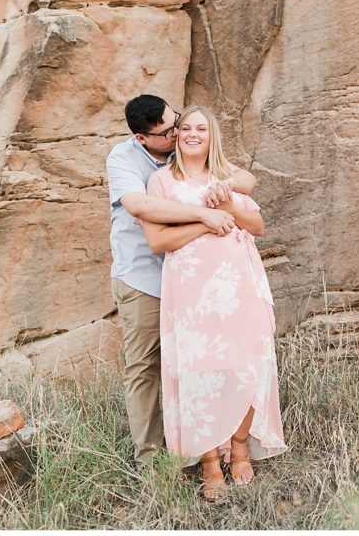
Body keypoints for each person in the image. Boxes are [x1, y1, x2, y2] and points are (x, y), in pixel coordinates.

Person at [140, 105, 288, 501]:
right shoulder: (160, 182)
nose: (192, 134)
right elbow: (159, 242)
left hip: (240, 283)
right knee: (199, 370)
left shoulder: (227, 177)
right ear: (175, 136)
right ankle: (208, 460)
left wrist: (228, 208)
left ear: (212, 136)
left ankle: (239, 448)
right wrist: (205, 221)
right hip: (191, 291)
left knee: (249, 362)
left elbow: (257, 226)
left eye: (201, 128)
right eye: (185, 127)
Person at [106, 94, 258, 467]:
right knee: (146, 368)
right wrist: (205, 216)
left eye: (179, 123)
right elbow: (141, 208)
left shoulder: (182, 147)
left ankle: (222, 445)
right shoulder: (124, 159)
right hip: (144, 277)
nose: (178, 133)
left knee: (210, 362)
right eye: (170, 130)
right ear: (144, 138)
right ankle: (152, 459)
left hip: (197, 284)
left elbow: (245, 179)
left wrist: (228, 186)